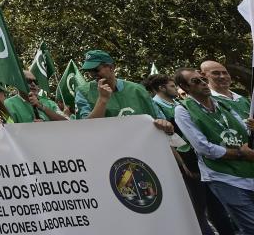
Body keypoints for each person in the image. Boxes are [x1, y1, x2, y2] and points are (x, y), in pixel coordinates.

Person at [144, 73, 234, 235]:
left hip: (201, 159)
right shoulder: (156, 106)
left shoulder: (179, 103)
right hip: (185, 162)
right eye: (172, 86)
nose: (176, 89)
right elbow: (168, 138)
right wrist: (183, 162)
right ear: (161, 88)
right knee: (198, 207)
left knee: (215, 204)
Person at [175, 68, 254, 233]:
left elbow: (244, 131)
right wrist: (241, 153)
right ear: (185, 87)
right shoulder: (183, 110)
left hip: (248, 170)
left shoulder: (223, 104)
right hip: (224, 177)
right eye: (196, 81)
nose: (203, 83)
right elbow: (203, 147)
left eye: (203, 79)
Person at [75, 50, 174, 134]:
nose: (92, 74)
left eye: (96, 70)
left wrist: (165, 124)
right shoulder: (84, 92)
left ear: (111, 67)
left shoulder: (137, 90)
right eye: (89, 71)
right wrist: (102, 100)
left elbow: (161, 120)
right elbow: (87, 128)